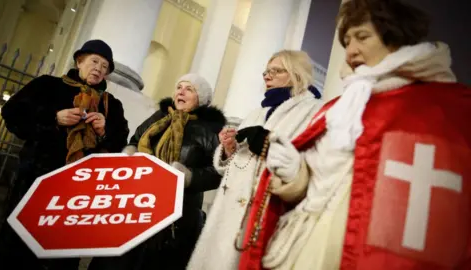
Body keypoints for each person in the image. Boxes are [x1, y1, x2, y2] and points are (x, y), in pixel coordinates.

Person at [245, 0, 471, 269]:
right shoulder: (339, 109)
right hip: (305, 247)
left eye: (362, 37)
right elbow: (315, 186)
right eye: (347, 40)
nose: (351, 51)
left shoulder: (445, 110)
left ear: (396, 38)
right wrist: (295, 173)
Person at [0, 39, 129, 269]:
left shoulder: (111, 105)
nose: (99, 69)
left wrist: (104, 131)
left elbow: (120, 146)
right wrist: (53, 118)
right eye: (94, 61)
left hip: (78, 194)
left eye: (105, 67)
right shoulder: (48, 85)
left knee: (60, 252)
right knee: (19, 248)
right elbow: (12, 114)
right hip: (36, 182)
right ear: (79, 61)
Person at [187, 50, 323, 270]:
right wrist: (228, 150)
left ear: (296, 74)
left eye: (275, 71)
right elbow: (233, 167)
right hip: (228, 212)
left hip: (269, 209)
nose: (267, 76)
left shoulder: (313, 111)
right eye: (265, 72)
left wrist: (268, 144)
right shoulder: (257, 113)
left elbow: (307, 165)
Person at [88, 73, 226, 270]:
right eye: (179, 87)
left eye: (189, 89)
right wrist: (132, 154)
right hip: (136, 202)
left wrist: (189, 177)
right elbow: (136, 140)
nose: (181, 91)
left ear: (201, 99)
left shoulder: (211, 129)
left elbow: (217, 171)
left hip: (177, 212)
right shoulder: (159, 117)